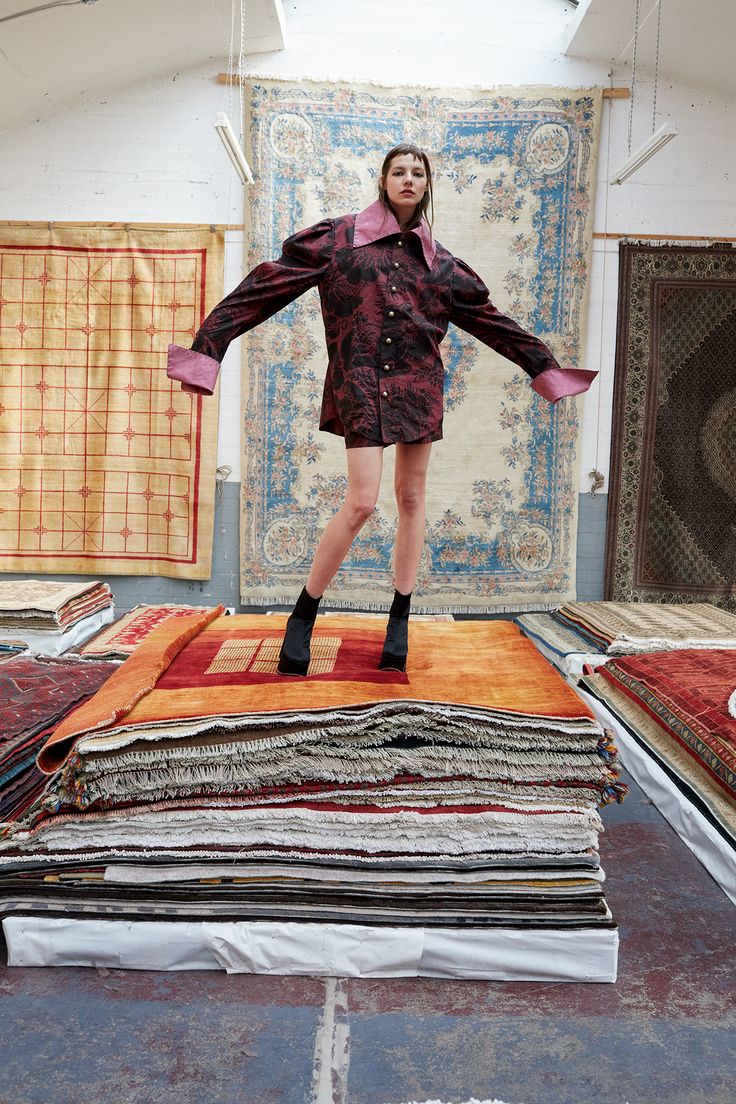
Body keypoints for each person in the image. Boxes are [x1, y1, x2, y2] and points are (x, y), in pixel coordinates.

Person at [167, 143, 596, 676]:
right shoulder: (337, 240)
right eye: (399, 171)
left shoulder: (440, 264)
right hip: (362, 383)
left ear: (427, 184)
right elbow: (263, 287)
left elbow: (493, 322)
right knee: (362, 502)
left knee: (412, 497)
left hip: (418, 386)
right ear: (384, 180)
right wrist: (206, 350)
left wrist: (544, 368)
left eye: (418, 172)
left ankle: (400, 616)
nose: (409, 179)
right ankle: (303, 613)